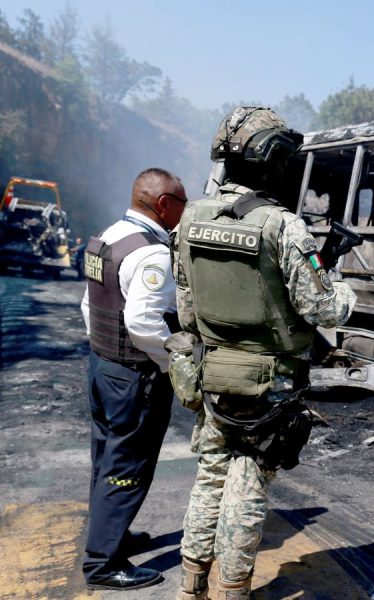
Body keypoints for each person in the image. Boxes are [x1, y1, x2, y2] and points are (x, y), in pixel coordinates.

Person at [172, 106, 356, 600]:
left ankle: (190, 586)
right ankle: (234, 590)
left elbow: (186, 310)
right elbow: (326, 311)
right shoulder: (283, 226)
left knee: (210, 476)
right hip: (269, 384)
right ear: (271, 160)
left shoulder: (189, 218)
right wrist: (337, 282)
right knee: (248, 483)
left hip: (212, 375)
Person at [80, 168, 188, 590]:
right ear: (164, 205)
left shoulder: (106, 237)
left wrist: (103, 350)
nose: (184, 210)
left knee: (106, 457)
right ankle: (103, 564)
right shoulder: (152, 253)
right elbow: (143, 322)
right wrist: (171, 362)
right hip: (133, 377)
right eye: (182, 202)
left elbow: (90, 305)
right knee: (128, 466)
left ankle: (109, 535)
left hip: (102, 366)